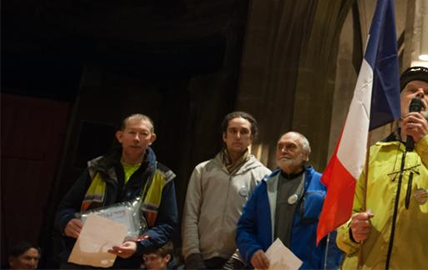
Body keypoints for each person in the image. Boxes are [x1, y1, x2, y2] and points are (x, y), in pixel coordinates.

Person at [337, 66, 428, 269]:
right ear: (398, 103)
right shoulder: (373, 154)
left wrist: (426, 143)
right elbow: (344, 216)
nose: (420, 93)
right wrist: (351, 231)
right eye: (412, 90)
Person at [54, 114, 178, 269]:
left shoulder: (163, 177)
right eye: (132, 132)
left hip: (128, 262)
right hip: (83, 257)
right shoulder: (96, 168)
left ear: (151, 139)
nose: (137, 139)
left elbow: (167, 225)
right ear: (120, 136)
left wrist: (138, 245)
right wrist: (66, 222)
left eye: (143, 134)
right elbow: (64, 209)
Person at [235, 132, 341, 270]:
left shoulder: (323, 186)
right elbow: (244, 228)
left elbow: (334, 234)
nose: (283, 151)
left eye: (291, 147)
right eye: (280, 147)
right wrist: (252, 250)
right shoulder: (264, 187)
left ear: (305, 154)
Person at [183, 111, 270, 269]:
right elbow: (191, 215)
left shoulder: (263, 176)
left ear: (251, 138)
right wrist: (191, 254)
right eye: (233, 131)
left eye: (244, 132)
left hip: (239, 261)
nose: (238, 136)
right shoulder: (202, 170)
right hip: (202, 257)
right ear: (224, 136)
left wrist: (238, 259)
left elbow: (260, 224)